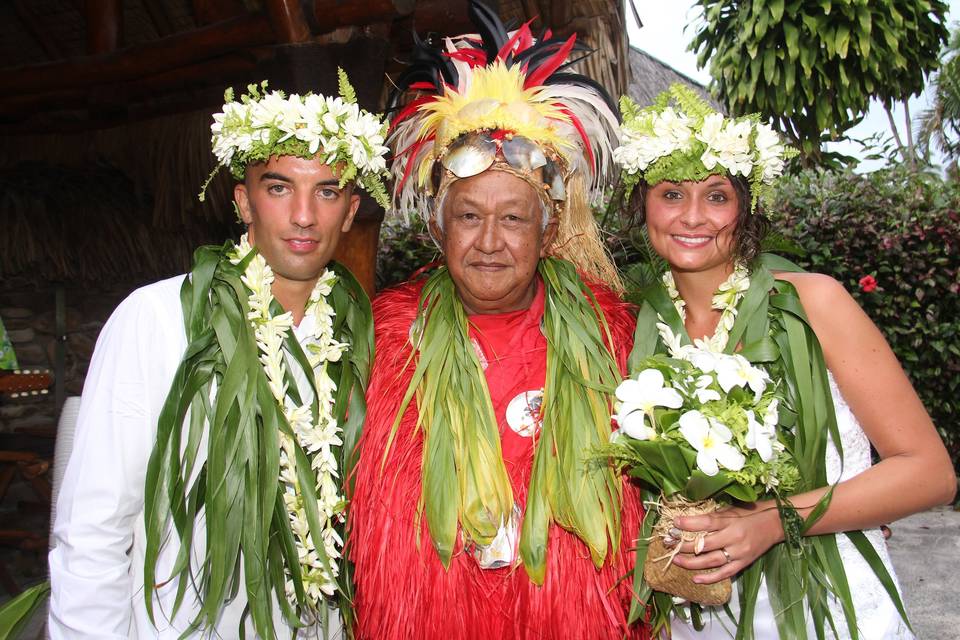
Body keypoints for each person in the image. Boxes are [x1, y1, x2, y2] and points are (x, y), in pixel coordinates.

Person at [48, 72, 389, 638]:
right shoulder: (158, 318)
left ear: (350, 212)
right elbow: (93, 528)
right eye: (279, 187)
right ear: (243, 201)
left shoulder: (362, 337)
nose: (304, 215)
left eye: (327, 191)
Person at [347, 3, 650, 639]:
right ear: (438, 227)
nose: (490, 241)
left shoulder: (614, 338)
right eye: (468, 216)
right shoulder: (382, 341)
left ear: (547, 232)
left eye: (513, 218)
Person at [613, 84, 956, 639]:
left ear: (746, 208)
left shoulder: (812, 301)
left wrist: (774, 520)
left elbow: (929, 474)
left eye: (717, 196)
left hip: (828, 607)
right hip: (697, 614)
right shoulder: (632, 321)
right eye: (672, 194)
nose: (693, 217)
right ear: (642, 203)